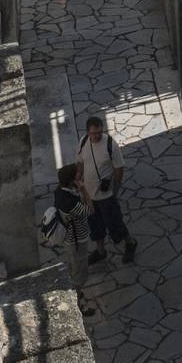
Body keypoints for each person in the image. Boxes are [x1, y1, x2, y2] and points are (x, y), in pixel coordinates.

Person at [77, 115, 137, 265]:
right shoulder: (83, 142)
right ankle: (101, 251)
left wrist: (115, 190)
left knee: (115, 223)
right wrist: (79, 180)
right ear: (88, 132)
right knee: (95, 226)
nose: (97, 136)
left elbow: (119, 168)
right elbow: (80, 162)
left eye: (99, 132)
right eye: (93, 133)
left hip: (106, 195)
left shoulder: (110, 145)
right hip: (89, 196)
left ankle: (130, 243)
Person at [41, 164, 97, 317]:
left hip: (70, 239)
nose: (80, 176)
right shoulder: (70, 202)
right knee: (78, 271)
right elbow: (89, 210)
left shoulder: (60, 192)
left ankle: (78, 293)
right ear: (71, 180)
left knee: (74, 267)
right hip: (76, 240)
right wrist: (84, 189)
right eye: (77, 175)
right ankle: (79, 301)